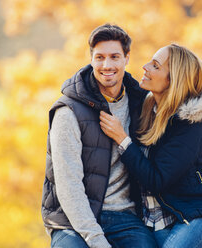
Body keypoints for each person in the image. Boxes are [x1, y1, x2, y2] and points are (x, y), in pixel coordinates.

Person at [99, 44, 202, 248]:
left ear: (173, 80)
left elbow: (156, 180)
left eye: (155, 66)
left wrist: (122, 139)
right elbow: (114, 77)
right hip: (156, 222)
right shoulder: (147, 106)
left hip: (196, 216)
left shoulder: (189, 127)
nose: (145, 67)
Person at [41, 24, 158, 248]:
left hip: (125, 217)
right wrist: (96, 240)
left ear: (127, 58)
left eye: (115, 57)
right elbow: (69, 187)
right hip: (71, 221)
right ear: (91, 59)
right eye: (100, 57)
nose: (107, 65)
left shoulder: (141, 102)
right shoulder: (69, 112)